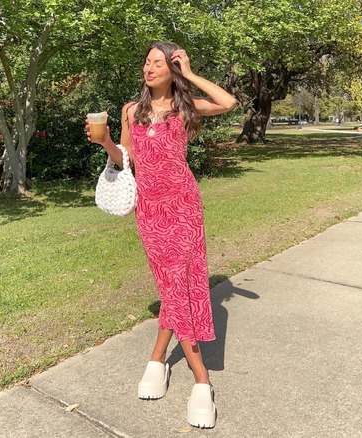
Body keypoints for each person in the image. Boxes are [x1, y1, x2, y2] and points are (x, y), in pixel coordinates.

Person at [86, 41, 236, 428]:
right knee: (172, 283)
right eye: (146, 61)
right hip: (149, 208)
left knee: (178, 282)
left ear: (172, 68)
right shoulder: (131, 111)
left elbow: (228, 102)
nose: (149, 67)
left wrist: (189, 73)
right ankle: (159, 359)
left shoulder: (185, 108)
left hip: (184, 203)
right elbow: (126, 159)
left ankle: (197, 379)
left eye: (158, 62)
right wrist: (105, 142)